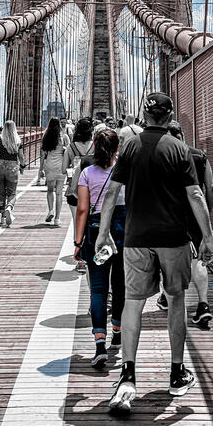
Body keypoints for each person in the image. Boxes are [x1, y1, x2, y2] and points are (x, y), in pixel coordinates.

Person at [95, 92, 213, 415]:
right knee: (176, 300)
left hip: (135, 239)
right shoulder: (179, 149)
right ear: (169, 116)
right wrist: (207, 237)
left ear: (144, 115)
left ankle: (127, 375)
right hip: (173, 239)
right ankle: (176, 373)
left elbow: (111, 193)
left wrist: (103, 233)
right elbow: (196, 196)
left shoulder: (130, 147)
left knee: (133, 302)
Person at [74, 129, 126, 370]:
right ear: (117, 148)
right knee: (120, 283)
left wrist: (78, 242)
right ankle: (117, 328)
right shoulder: (125, 171)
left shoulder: (87, 173)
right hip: (123, 228)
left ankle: (99, 345)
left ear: (95, 147)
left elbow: (82, 210)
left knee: (97, 289)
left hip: (96, 229)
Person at [156, 121, 213, 325]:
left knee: (167, 258)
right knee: (198, 259)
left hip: (171, 214)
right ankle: (203, 304)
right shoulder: (200, 155)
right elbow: (211, 188)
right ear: (182, 134)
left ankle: (166, 296)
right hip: (196, 213)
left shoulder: (163, 155)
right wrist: (206, 215)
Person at [63, 117, 95, 271]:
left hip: (74, 191)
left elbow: (64, 169)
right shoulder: (95, 146)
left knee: (78, 224)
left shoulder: (71, 147)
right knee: (93, 222)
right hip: (93, 190)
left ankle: (81, 259)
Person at [0, 120, 25, 227]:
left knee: (2, 192)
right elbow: (21, 156)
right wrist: (22, 166)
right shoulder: (18, 140)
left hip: (0, 166)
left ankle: (2, 216)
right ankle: (9, 207)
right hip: (13, 167)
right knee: (12, 193)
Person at [37, 117, 70, 226]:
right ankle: (57, 218)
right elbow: (69, 152)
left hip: (49, 166)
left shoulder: (45, 138)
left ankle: (51, 210)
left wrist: (40, 170)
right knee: (59, 193)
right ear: (60, 125)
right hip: (61, 166)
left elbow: (42, 155)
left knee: (50, 190)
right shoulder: (64, 137)